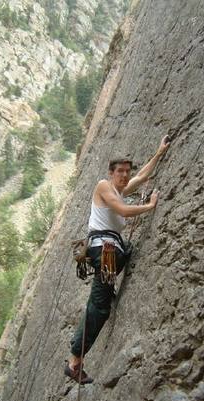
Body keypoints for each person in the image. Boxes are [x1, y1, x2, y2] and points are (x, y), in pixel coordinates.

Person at [65, 135, 171, 383]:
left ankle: (76, 356)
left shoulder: (119, 190)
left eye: (127, 171)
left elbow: (142, 177)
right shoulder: (104, 186)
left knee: (125, 253)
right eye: (120, 171)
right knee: (99, 308)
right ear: (111, 173)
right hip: (103, 250)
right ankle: (73, 361)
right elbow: (123, 211)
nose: (124, 175)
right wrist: (150, 206)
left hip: (111, 251)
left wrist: (159, 152)